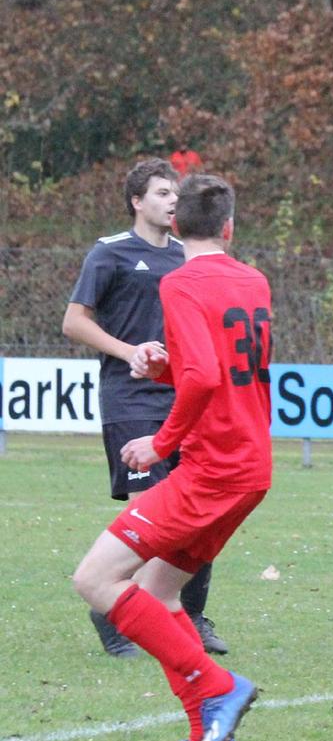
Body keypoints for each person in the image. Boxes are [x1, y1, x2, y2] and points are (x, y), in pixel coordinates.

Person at [71, 173, 271, 741]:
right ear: (230, 227)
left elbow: (206, 379)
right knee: (161, 594)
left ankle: (217, 687)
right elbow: (222, 370)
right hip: (251, 464)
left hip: (211, 468)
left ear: (176, 225)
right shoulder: (253, 279)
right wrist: (165, 368)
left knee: (97, 581)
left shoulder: (181, 282)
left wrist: (160, 443)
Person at [62, 158, 230, 658]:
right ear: (137, 201)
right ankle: (110, 611)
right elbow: (74, 322)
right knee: (152, 512)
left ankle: (191, 617)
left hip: (185, 399)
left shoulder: (190, 257)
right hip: (130, 399)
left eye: (175, 192)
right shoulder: (110, 253)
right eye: (160, 192)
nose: (171, 199)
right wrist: (129, 350)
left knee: (198, 513)